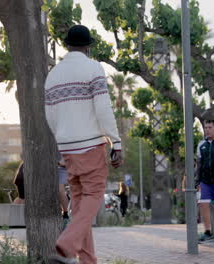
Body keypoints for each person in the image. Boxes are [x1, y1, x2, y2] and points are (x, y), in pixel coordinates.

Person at [46, 25, 122, 264]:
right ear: (88, 46)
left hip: (67, 147)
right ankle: (66, 244)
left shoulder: (53, 74)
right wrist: (116, 141)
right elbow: (103, 108)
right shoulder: (93, 68)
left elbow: (49, 114)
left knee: (79, 204)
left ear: (67, 44)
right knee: (94, 195)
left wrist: (61, 141)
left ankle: (88, 260)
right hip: (89, 145)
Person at [57, 153, 70, 228]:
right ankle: (65, 214)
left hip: (74, 166)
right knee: (59, 189)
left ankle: (66, 215)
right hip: (59, 168)